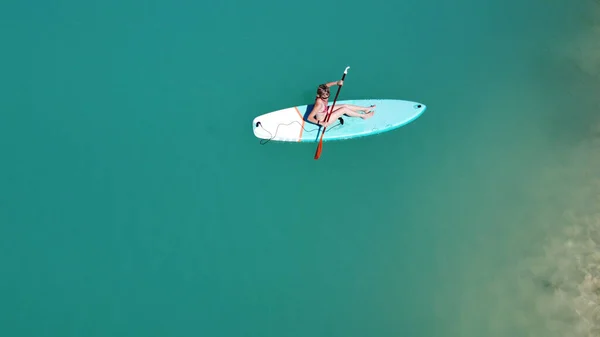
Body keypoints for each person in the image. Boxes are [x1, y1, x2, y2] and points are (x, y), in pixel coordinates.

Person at [306, 80, 376, 127]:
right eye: (324, 98)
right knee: (344, 109)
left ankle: (365, 109)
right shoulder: (319, 104)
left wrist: (337, 83)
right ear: (319, 96)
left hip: (326, 111)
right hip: (324, 119)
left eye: (328, 96)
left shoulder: (323, 90)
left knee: (344, 105)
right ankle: (363, 116)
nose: (326, 99)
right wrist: (321, 123)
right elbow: (309, 118)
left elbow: (326, 85)